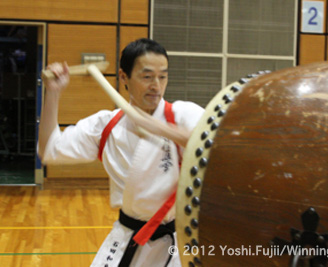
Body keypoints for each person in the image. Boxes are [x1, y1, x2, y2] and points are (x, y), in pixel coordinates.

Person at [38, 38, 205, 267]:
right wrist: (53, 93)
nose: (156, 85)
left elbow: (221, 149)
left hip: (178, 243)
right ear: (123, 76)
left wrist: (165, 130)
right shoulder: (106, 126)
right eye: (147, 77)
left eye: (163, 76)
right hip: (128, 238)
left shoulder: (184, 116)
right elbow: (50, 150)